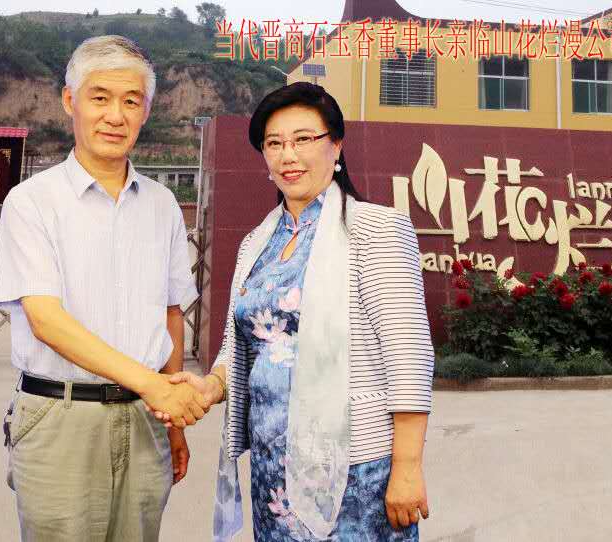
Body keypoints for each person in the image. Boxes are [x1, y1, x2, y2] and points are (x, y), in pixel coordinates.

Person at [162, 82, 434, 541]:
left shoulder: (376, 230)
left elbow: (408, 356)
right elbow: (242, 346)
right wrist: (211, 386)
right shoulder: (257, 243)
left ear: (336, 146)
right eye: (274, 144)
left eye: (304, 139)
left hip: (355, 466)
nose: (288, 155)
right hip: (273, 465)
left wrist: (407, 467)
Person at [0, 35, 208, 541]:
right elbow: (46, 321)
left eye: (131, 101)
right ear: (70, 101)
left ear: (146, 111)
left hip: (146, 420)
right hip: (60, 417)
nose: (115, 116)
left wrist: (172, 423)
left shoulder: (162, 206)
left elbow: (170, 315)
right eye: (100, 97)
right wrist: (157, 387)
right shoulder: (32, 202)